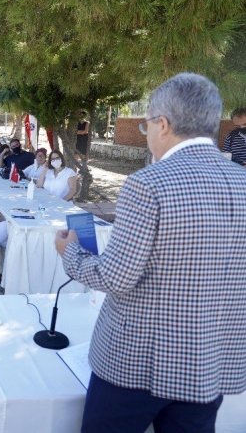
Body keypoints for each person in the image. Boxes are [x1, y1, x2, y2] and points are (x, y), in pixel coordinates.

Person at [55, 73, 246, 433]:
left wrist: (70, 252)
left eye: (146, 126)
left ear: (163, 124)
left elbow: (115, 277)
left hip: (139, 363)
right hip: (210, 361)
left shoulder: (149, 183)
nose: (147, 135)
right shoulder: (241, 181)